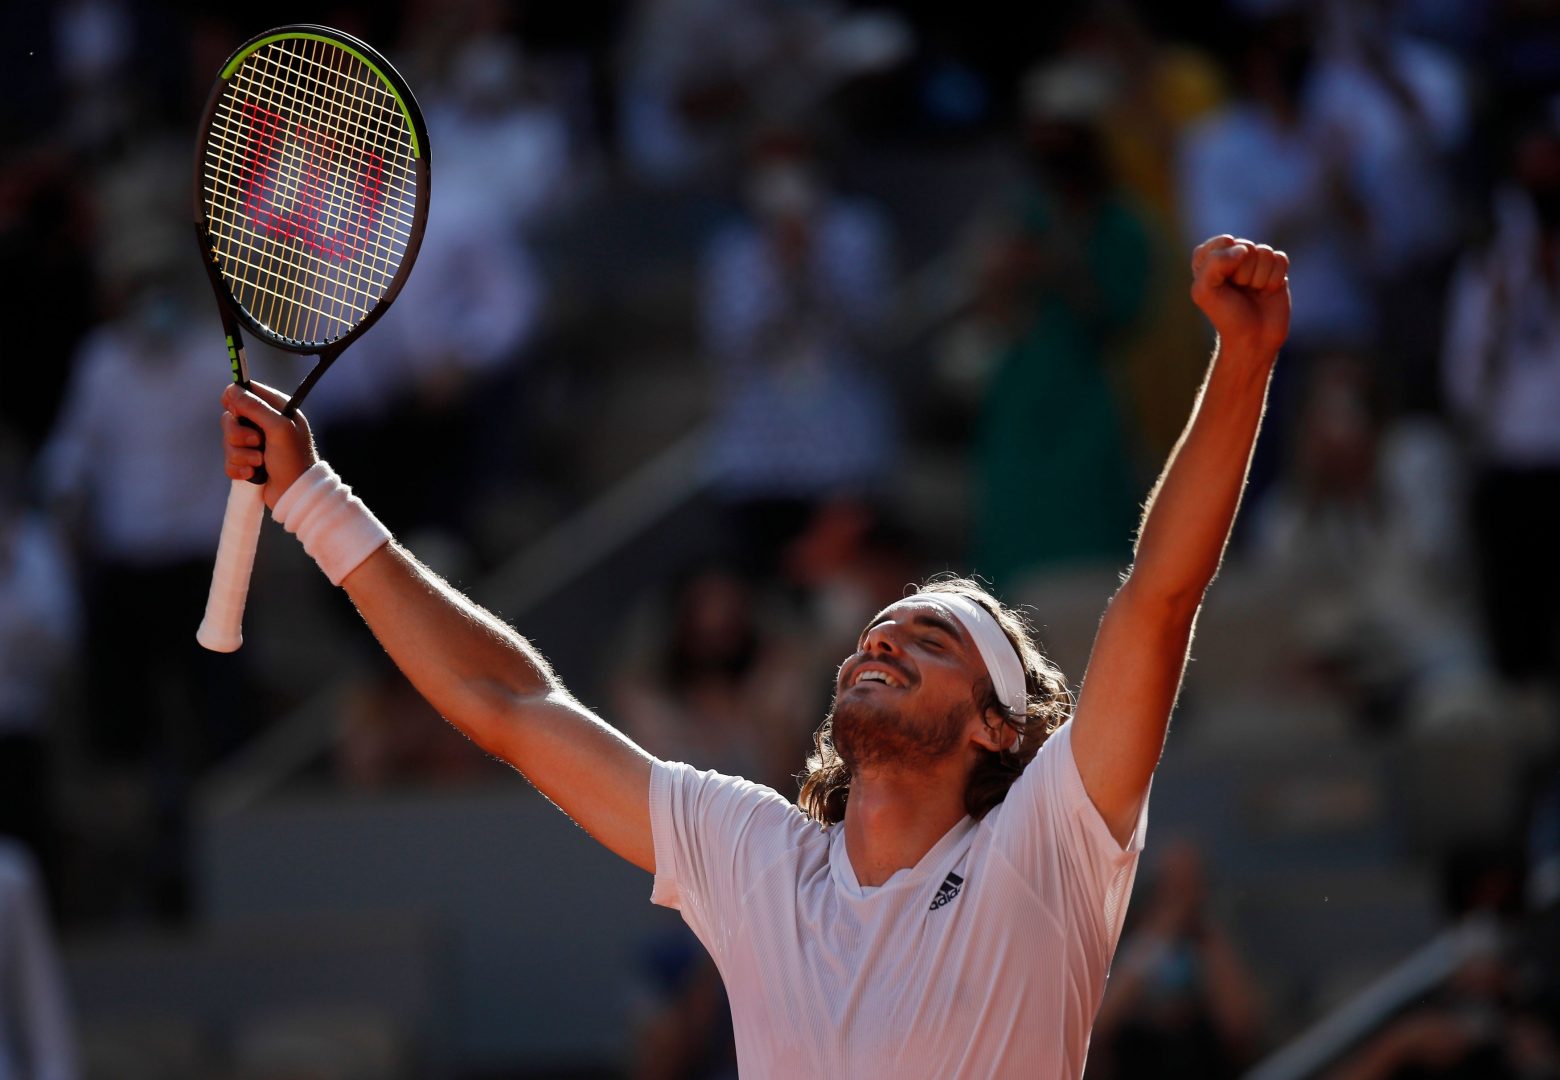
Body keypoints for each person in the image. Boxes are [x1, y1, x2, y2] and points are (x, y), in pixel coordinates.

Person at [215, 235, 1289, 1077]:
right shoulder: (758, 858)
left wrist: (1242, 363)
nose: (880, 638)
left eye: (931, 639)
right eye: (876, 632)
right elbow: (507, 701)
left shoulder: (1046, 843)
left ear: (997, 727)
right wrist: (311, 497)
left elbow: (1158, 599)